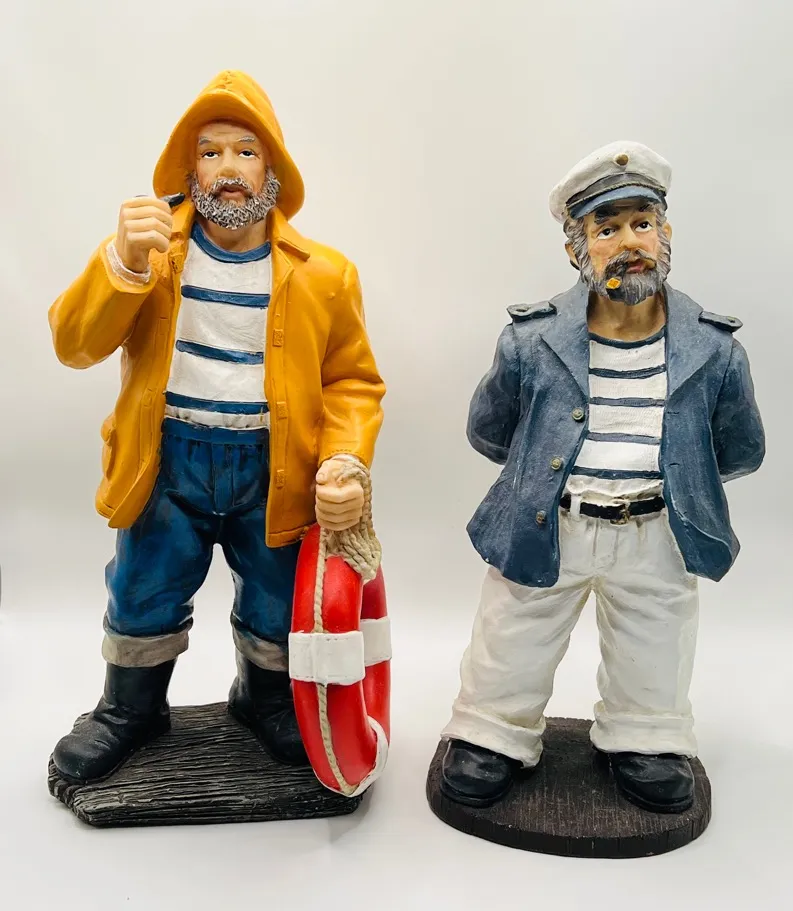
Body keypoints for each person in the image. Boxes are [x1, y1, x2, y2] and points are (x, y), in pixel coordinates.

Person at [48, 70, 385, 784]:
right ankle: (131, 708)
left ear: (273, 169)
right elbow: (73, 344)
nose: (228, 169)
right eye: (210, 152)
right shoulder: (153, 257)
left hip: (274, 466)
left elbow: (351, 382)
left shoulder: (324, 274)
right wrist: (121, 264)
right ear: (187, 171)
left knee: (275, 594)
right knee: (143, 586)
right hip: (168, 462)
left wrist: (345, 459)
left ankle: (265, 698)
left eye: (245, 151)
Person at [439, 141, 764, 813]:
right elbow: (489, 429)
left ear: (666, 234)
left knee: (656, 638)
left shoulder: (714, 348)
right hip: (550, 521)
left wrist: (677, 485)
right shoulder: (530, 340)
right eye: (606, 228)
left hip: (655, 528)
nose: (628, 242)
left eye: (642, 223)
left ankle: (646, 736)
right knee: (515, 630)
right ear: (576, 248)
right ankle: (492, 731)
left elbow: (739, 448)